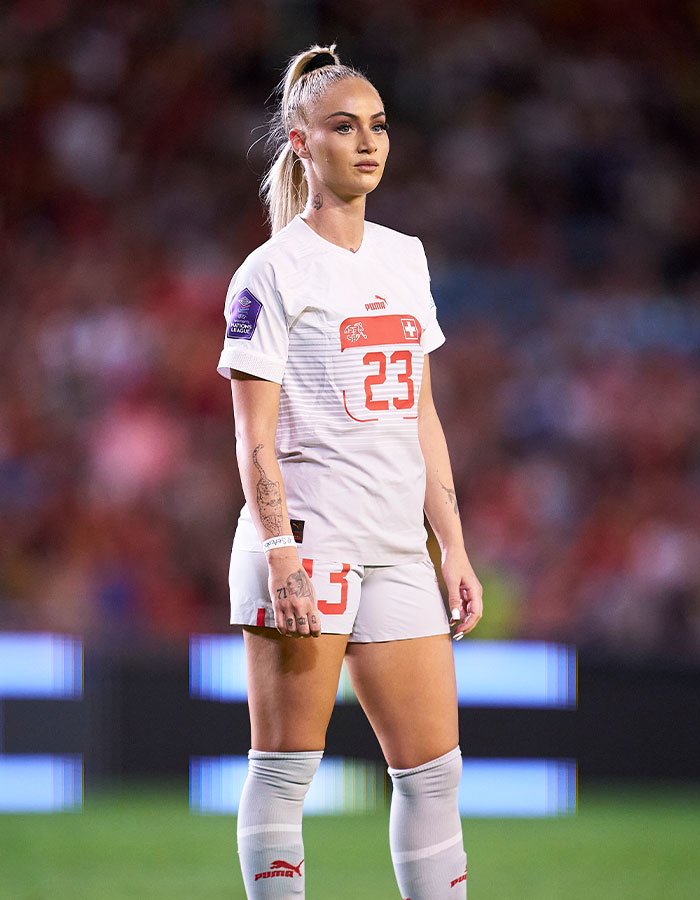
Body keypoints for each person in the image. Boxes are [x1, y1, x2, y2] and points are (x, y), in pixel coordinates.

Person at [217, 44, 483, 900]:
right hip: (311, 540)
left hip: (398, 545)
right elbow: (253, 437)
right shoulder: (270, 272)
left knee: (434, 776)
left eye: (377, 126)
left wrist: (453, 545)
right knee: (288, 772)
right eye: (342, 127)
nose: (367, 143)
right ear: (300, 142)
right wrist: (280, 552)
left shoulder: (406, 257)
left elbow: (422, 416)